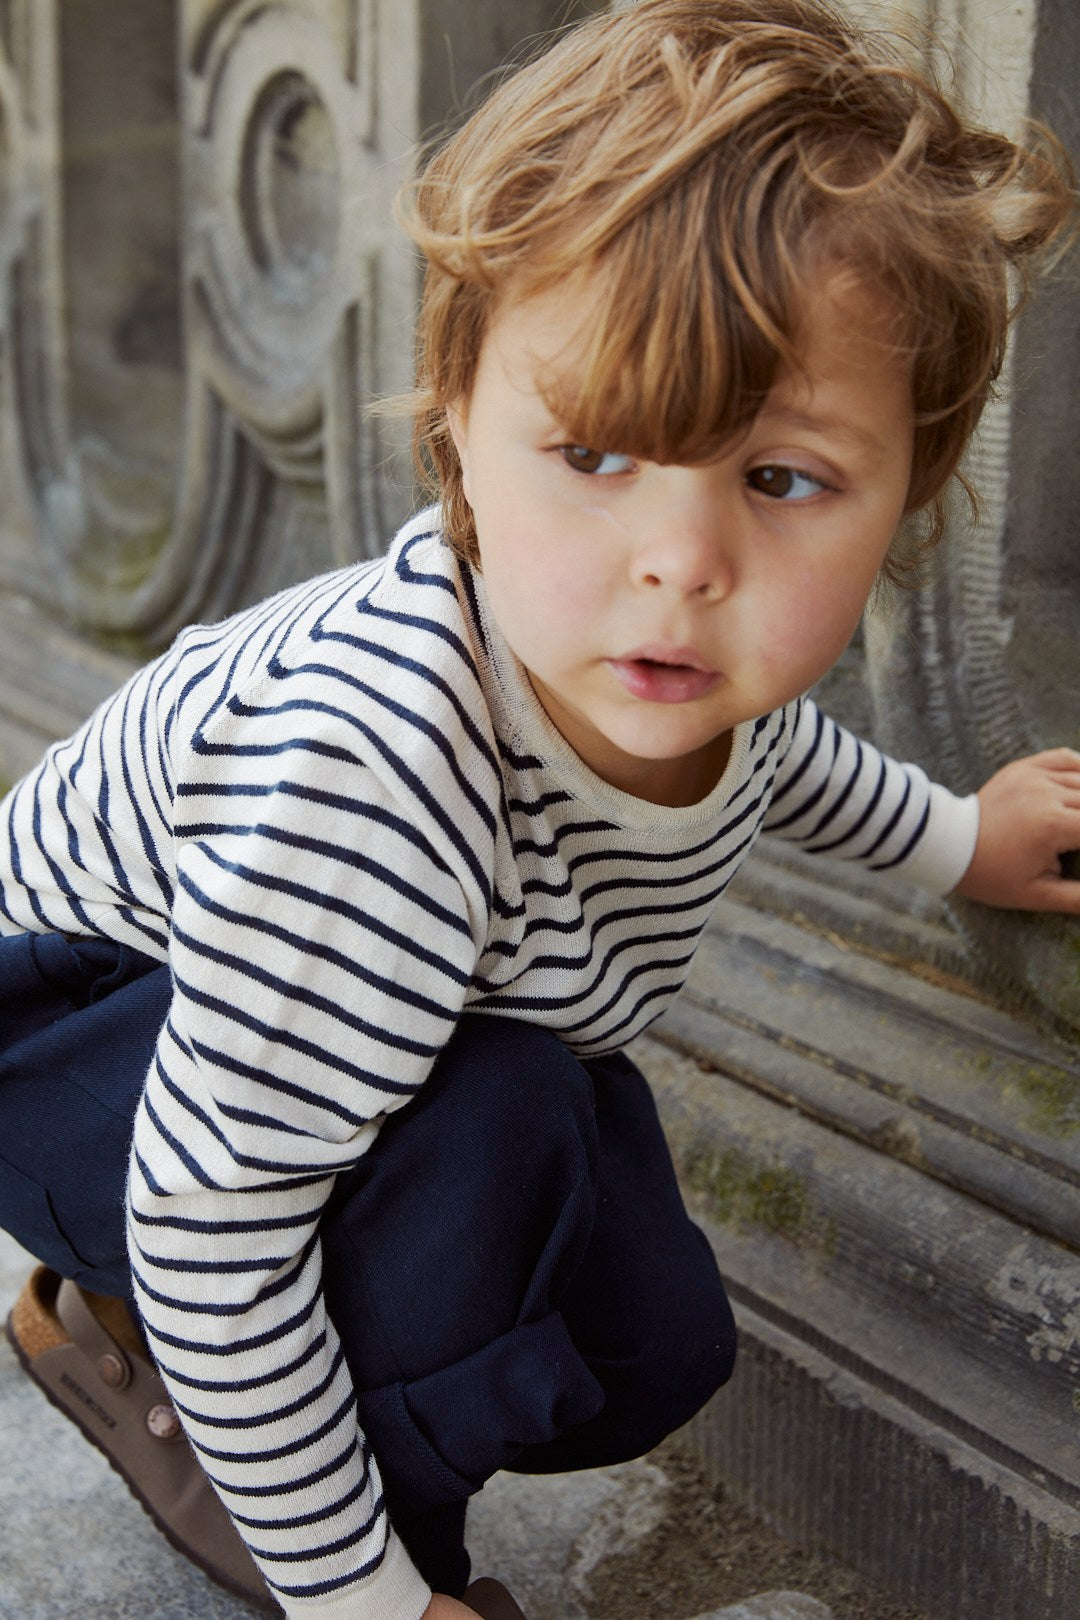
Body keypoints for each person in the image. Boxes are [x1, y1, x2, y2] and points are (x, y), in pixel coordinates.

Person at [1, 2, 1078, 1617]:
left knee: (652, 1338)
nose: (683, 563)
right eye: (593, 453)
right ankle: (312, 1511)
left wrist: (959, 838)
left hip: (314, 1039)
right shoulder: (371, 772)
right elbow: (219, 1213)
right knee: (490, 1133)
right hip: (89, 1049)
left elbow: (783, 759)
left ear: (907, 496)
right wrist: (366, 1599)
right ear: (457, 436)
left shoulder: (658, 658)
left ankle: (247, 1406)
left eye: (780, 480)